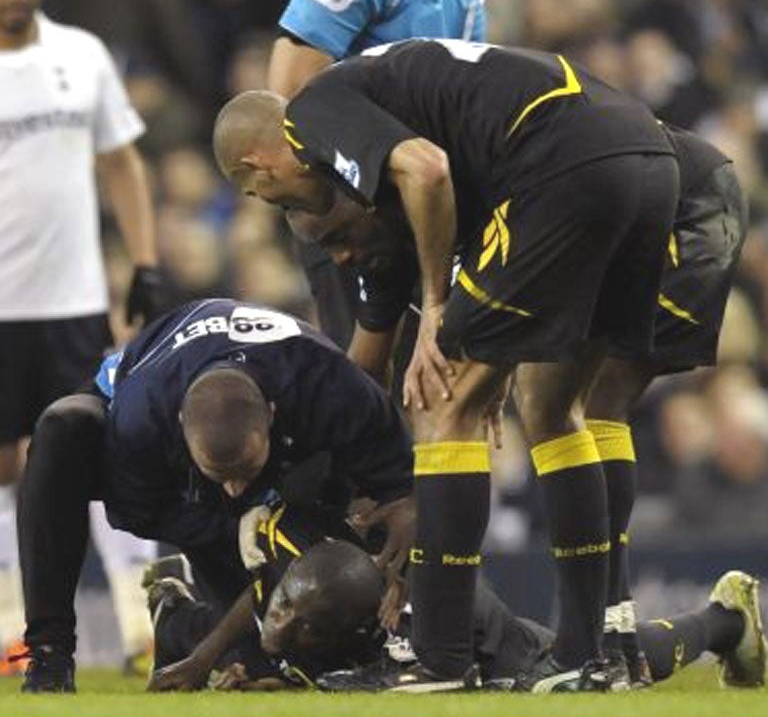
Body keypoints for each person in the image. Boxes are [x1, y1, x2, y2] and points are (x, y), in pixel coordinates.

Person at [213, 38, 681, 691]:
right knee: (554, 408)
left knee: (438, 398)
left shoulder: (311, 112)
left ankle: (436, 657)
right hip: (648, 157)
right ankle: (585, 655)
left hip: (558, 162)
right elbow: (367, 362)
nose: (282, 205)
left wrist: (439, 308)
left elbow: (426, 169)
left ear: (255, 166)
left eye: (267, 196)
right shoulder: (389, 126)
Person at [285, 122, 748, 687]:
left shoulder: (428, 191)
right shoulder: (417, 195)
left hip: (657, 193)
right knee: (581, 407)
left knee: (565, 406)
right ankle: (695, 626)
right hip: (658, 183)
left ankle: (629, 634)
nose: (342, 257)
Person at [17, 296, 414, 693]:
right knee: (62, 428)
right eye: (220, 475)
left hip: (298, 459)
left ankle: (178, 621)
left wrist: (386, 546)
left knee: (317, 626)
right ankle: (49, 653)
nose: (235, 487)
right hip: (162, 446)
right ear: (180, 427)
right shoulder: (142, 419)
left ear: (272, 413)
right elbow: (141, 514)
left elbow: (400, 480)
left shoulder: (328, 384)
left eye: (245, 470)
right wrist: (233, 522)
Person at [0, 0, 164, 676]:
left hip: (72, 301)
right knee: (4, 469)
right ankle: (11, 627)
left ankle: (144, 620)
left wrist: (145, 262)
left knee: (104, 452)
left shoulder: (82, 56)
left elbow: (122, 162)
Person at [269, 0, 495, 349]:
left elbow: (471, 76)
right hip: (363, 217)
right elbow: (292, 85)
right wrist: (353, 211)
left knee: (441, 387)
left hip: (427, 203)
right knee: (377, 404)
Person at [141, 501, 766, 694]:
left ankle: (724, 618)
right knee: (229, 645)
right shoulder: (305, 585)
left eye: (304, 626)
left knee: (621, 670)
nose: (284, 627)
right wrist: (217, 659)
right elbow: (268, 606)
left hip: (505, 659)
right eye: (284, 607)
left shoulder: (416, 628)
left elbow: (400, 686)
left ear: (363, 627)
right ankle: (170, 605)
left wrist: (302, 684)